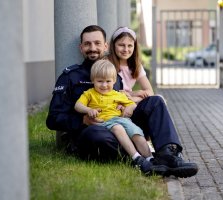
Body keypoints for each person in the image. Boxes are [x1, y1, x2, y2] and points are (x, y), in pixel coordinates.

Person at [46, 25, 198, 178]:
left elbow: (123, 101)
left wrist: (128, 107)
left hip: (121, 124)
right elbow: (53, 119)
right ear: (81, 48)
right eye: (87, 44)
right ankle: (141, 159)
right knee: (97, 134)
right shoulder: (70, 76)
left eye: (97, 43)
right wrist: (82, 120)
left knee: (155, 102)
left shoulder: (115, 76)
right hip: (94, 131)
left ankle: (167, 156)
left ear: (105, 46)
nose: (92, 48)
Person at [74, 59, 156, 175]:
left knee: (136, 132)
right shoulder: (89, 94)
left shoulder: (117, 94)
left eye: (108, 81)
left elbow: (131, 104)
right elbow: (78, 105)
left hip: (122, 119)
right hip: (104, 122)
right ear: (93, 80)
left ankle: (150, 159)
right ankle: (137, 158)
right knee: (118, 128)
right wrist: (88, 110)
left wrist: (128, 108)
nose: (104, 85)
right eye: (100, 81)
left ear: (114, 81)